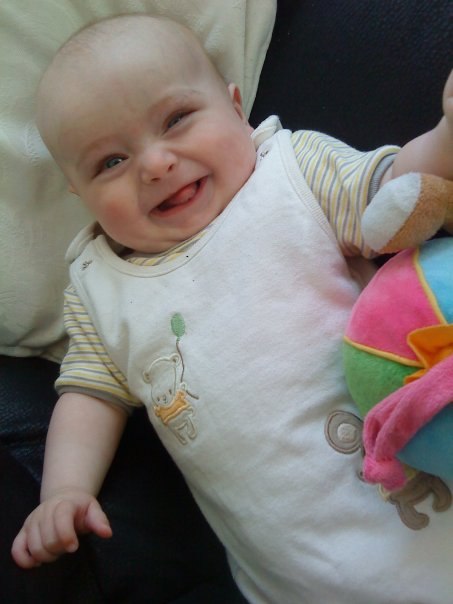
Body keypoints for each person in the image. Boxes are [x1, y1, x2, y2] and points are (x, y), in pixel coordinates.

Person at [12, 13, 453, 604]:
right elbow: (90, 394)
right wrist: (63, 491)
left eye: (176, 119)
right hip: (289, 580)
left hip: (416, 493)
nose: (155, 164)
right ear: (80, 193)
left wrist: (444, 139)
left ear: (235, 106)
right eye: (110, 163)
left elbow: (394, 193)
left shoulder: (291, 172)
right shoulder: (98, 286)